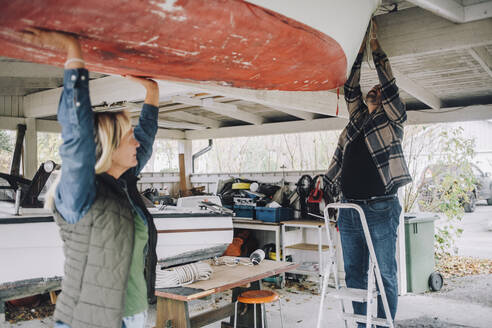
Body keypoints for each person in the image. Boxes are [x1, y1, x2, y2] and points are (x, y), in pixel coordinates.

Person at [22, 28, 160, 328]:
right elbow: (77, 137)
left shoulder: (123, 183)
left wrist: (152, 94)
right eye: (128, 138)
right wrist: (74, 54)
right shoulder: (81, 193)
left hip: (135, 314)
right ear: (108, 148)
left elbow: (145, 140)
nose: (136, 143)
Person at [324, 21, 412, 327]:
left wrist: (376, 47)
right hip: (349, 208)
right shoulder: (358, 120)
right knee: (354, 272)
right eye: (371, 90)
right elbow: (350, 89)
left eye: (378, 91)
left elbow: (389, 87)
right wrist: (358, 50)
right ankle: (362, 325)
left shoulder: (394, 120)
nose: (374, 91)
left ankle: (383, 324)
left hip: (380, 207)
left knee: (385, 271)